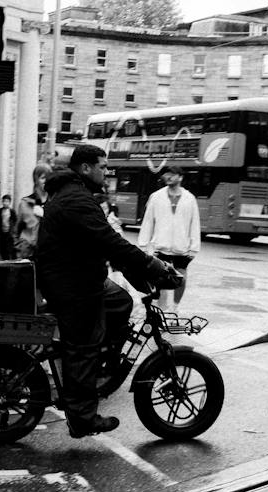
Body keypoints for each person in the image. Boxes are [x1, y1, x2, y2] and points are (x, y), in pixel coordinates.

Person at [34, 142, 175, 438]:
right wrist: (153, 265)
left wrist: (133, 268)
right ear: (86, 168)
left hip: (76, 275)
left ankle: (103, 362)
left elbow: (101, 243)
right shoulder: (77, 199)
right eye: (103, 165)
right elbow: (110, 241)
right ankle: (82, 418)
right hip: (71, 284)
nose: (107, 170)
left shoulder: (76, 194)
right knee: (84, 345)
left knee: (121, 301)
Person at [138, 161, 200, 311]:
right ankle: (160, 309)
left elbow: (195, 223)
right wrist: (143, 244)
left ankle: (175, 308)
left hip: (181, 247)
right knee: (159, 279)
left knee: (181, 278)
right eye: (166, 174)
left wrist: (194, 247)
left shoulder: (189, 198)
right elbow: (148, 221)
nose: (168, 177)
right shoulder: (156, 197)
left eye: (172, 174)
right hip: (161, 245)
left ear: (180, 177)